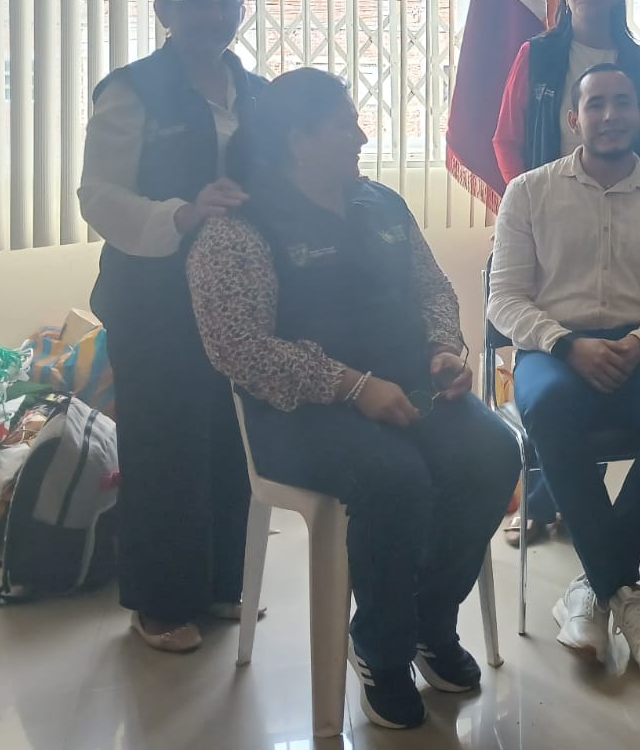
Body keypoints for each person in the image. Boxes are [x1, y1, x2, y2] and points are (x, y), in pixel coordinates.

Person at [186, 69, 520, 731]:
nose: (363, 137)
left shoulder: (382, 204)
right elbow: (238, 347)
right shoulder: (238, 228)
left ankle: (428, 622)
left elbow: (432, 288)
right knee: (395, 479)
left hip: (409, 388)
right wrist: (349, 385)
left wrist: (443, 348)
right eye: (346, 125)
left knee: (492, 452)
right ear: (298, 139)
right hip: (302, 412)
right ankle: (383, 651)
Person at [487, 63, 640, 679]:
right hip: (554, 350)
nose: (610, 115)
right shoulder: (528, 192)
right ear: (573, 118)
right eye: (596, 104)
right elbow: (504, 300)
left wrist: (639, 343)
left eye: (623, 103)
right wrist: (565, 344)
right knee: (551, 406)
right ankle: (629, 597)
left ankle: (595, 588)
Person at [78, 0, 262, 654]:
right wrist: (182, 214)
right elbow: (98, 195)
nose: (214, 14)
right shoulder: (131, 91)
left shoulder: (257, 92)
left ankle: (220, 583)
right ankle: (158, 602)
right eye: (197, 2)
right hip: (150, 298)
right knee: (165, 444)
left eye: (227, 0)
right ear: (163, 11)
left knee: (227, 439)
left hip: (235, 298)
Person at [493, 0, 640, 547]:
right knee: (554, 390)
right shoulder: (538, 54)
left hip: (626, 209)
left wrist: (627, 188)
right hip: (547, 218)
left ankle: (581, 528)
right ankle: (564, 517)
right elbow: (506, 139)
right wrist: (536, 203)